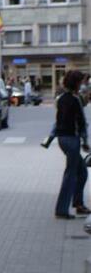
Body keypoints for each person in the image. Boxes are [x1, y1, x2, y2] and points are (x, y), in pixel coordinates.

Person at [53, 70, 91, 219]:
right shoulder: (75, 100)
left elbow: (58, 120)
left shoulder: (61, 98)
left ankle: (78, 204)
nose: (82, 83)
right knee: (70, 175)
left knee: (82, 172)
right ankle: (61, 210)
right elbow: (81, 122)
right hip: (71, 139)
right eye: (81, 81)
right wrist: (85, 142)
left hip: (62, 139)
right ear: (76, 83)